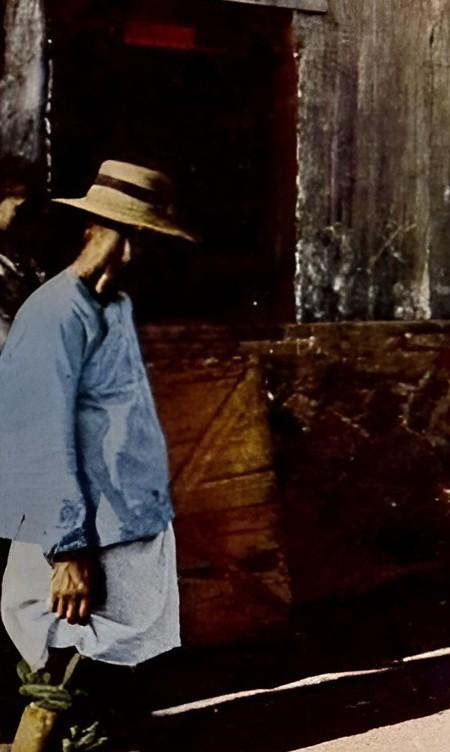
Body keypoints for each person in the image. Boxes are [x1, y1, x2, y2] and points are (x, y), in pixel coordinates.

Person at [0, 160, 196, 750]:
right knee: (59, 688)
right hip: (81, 536)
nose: (139, 255)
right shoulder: (53, 314)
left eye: (150, 240)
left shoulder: (113, 308)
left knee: (105, 699)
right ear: (105, 234)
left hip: (126, 525)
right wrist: (68, 551)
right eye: (132, 237)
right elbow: (38, 438)